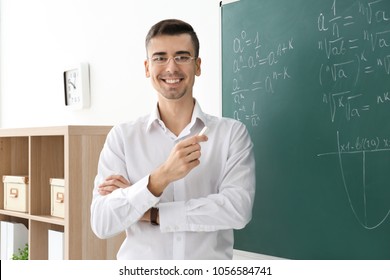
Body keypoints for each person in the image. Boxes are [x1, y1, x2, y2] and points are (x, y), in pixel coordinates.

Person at [90, 19, 255, 260]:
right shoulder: (123, 137)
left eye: (182, 57)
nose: (171, 68)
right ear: (147, 68)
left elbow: (237, 210)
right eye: (160, 58)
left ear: (197, 66)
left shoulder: (231, 134)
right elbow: (103, 222)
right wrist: (160, 178)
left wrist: (152, 213)